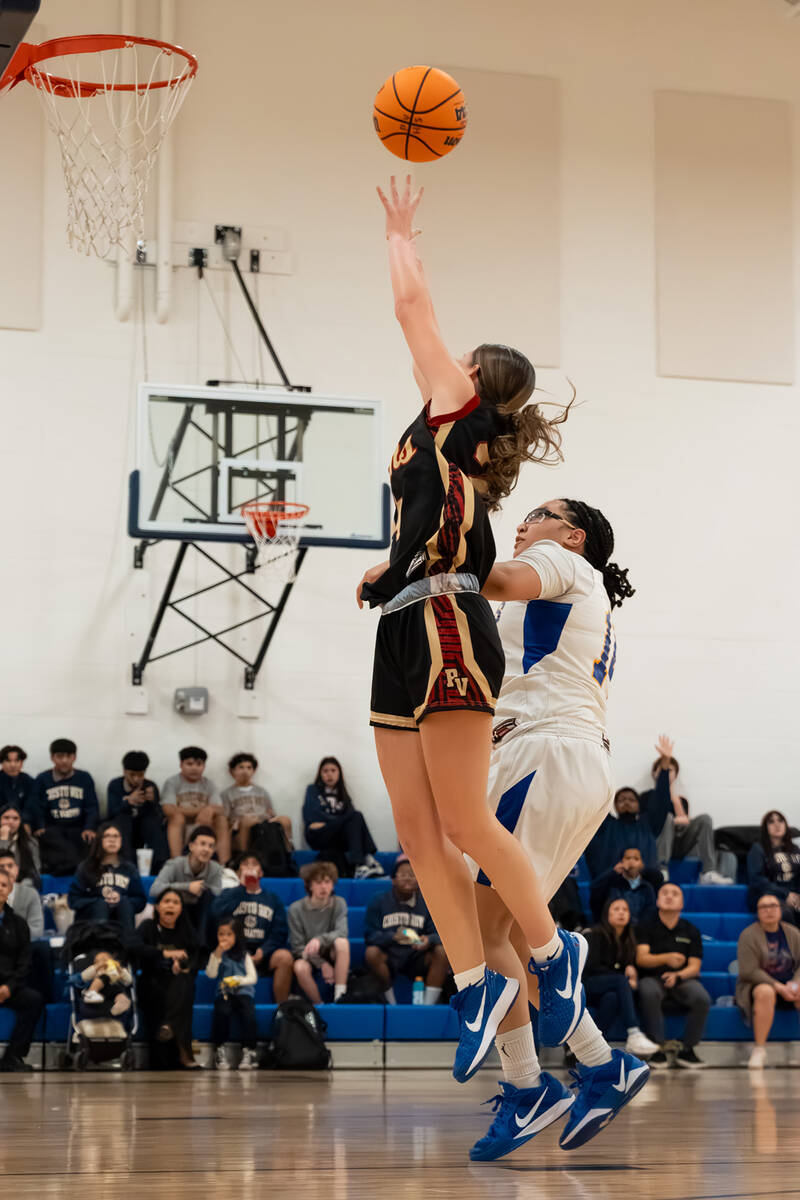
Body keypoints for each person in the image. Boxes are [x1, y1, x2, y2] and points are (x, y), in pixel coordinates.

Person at [356, 176, 582, 1106]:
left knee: (463, 820)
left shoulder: (455, 401)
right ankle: (477, 980)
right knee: (415, 832)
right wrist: (384, 566)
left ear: (477, 377)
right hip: (408, 618)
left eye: (467, 352)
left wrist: (400, 234)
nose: (451, 351)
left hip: (450, 622)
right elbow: (432, 521)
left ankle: (549, 954)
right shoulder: (446, 437)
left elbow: (412, 306)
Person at [468, 499, 648, 1160]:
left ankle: (528, 1085)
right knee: (505, 935)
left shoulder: (559, 562)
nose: (524, 518)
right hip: (565, 761)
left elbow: (493, 576)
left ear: (571, 534)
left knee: (483, 929)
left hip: (543, 756)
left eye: (539, 512)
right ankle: (601, 1067)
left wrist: (455, 516)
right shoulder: (570, 584)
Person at [636, 882, 711, 1069]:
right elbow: (642, 959)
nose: (669, 896)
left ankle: (687, 1049)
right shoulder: (645, 926)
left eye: (675, 894)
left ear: (682, 903)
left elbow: (695, 966)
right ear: (658, 900)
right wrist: (666, 958)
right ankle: (657, 1048)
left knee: (701, 997)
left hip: (682, 979)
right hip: (652, 977)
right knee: (647, 990)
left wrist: (678, 975)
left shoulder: (691, 930)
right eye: (665, 893)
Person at [639, 734, 732, 885]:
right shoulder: (646, 796)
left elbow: (685, 823)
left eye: (671, 770)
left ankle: (708, 871)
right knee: (667, 817)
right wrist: (673, 819)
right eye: (664, 770)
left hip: (679, 843)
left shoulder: (680, 799)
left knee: (705, 819)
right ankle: (661, 868)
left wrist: (674, 799)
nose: (667, 773)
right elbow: (652, 822)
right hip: (657, 843)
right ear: (655, 773)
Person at [129, 888, 200, 1069]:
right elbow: (133, 946)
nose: (171, 905)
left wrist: (182, 966)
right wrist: (165, 953)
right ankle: (185, 1053)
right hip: (152, 983)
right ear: (158, 907)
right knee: (178, 992)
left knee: (183, 983)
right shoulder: (148, 927)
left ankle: (168, 1025)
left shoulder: (186, 932)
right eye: (166, 901)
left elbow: (195, 958)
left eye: (176, 902)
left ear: (181, 909)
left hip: (178, 983)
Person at [364, 855, 449, 1004]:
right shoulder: (378, 900)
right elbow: (369, 935)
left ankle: (427, 1007)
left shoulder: (427, 902)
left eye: (412, 875)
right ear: (393, 879)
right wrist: (392, 937)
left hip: (417, 955)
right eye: (403, 874)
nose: (408, 878)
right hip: (389, 954)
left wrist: (429, 940)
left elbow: (441, 934)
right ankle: (391, 1003)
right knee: (371, 953)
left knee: (442, 951)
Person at [212, 853, 293, 1000]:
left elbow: (280, 931)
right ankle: (230, 1004)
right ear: (238, 872)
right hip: (234, 952)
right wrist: (241, 888)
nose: (250, 868)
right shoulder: (230, 894)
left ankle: (282, 1008)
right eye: (245, 864)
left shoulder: (272, 899)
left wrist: (264, 950)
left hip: (263, 953)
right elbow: (215, 913)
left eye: (254, 864)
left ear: (261, 872)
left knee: (285, 957)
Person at [583, 898, 659, 1057]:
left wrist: (628, 970)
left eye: (625, 910)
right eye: (616, 909)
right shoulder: (594, 934)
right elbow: (591, 967)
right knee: (620, 981)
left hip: (608, 988)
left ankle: (588, 1048)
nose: (621, 913)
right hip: (587, 984)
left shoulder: (629, 939)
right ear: (607, 914)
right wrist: (623, 971)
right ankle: (633, 1032)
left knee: (612, 999)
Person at [736, 893, 800, 1069]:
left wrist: (795, 984)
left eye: (773, 906)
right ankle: (759, 1049)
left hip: (790, 984)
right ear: (758, 912)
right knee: (766, 992)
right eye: (764, 907)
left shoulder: (793, 933)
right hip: (756, 986)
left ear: (781, 910)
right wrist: (779, 987)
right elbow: (748, 971)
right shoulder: (748, 935)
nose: (769, 910)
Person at [302, 757, 383, 879]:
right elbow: (311, 817)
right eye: (325, 771)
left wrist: (331, 822)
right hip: (318, 836)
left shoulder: (343, 795)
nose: (329, 774)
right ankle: (363, 861)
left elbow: (353, 823)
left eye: (333, 770)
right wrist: (341, 821)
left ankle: (364, 860)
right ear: (320, 774)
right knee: (354, 816)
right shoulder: (313, 790)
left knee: (356, 817)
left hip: (336, 838)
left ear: (339, 773)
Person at [28, 738, 98, 871]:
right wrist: (39, 825)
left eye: (69, 756)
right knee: (50, 840)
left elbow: (92, 806)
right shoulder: (43, 779)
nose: (64, 760)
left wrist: (89, 827)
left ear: (74, 757)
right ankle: (75, 866)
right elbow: (36, 805)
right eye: (60, 756)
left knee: (89, 840)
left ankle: (72, 867)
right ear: (52, 758)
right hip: (53, 828)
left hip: (78, 828)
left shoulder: (84, 778)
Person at [0, 867, 44, 1072]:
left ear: (10, 891)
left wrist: (9, 986)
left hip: (9, 985)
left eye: (3, 885)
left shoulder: (19, 924)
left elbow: (24, 962)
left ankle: (13, 1056)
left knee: (34, 1000)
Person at [68, 822, 147, 935]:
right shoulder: (86, 867)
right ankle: (99, 947)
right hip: (92, 921)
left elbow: (140, 901)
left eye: (116, 836)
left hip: (122, 916)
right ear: (99, 840)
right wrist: (99, 901)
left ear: (121, 840)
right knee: (101, 905)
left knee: (124, 903)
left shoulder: (129, 868)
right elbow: (73, 900)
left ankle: (128, 946)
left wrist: (121, 899)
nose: (112, 840)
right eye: (107, 836)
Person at [287, 862, 349, 1004]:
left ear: (333, 884)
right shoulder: (295, 909)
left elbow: (342, 932)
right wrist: (322, 964)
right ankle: (319, 1005)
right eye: (318, 882)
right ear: (309, 885)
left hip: (331, 950)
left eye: (327, 882)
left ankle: (340, 996)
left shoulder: (339, 903)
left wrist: (319, 940)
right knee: (299, 967)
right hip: (308, 955)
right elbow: (297, 947)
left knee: (342, 943)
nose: (323, 887)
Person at [149, 825, 223, 944]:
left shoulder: (215, 868)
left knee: (210, 897)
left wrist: (203, 887)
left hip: (200, 912)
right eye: (202, 844)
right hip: (178, 911)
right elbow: (154, 889)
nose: (206, 849)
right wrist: (187, 887)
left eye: (211, 846)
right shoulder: (174, 864)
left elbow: (218, 892)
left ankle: (202, 947)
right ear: (191, 846)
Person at [206, 918, 259, 1071]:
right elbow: (211, 974)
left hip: (243, 993)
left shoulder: (244, 955)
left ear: (237, 936)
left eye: (229, 934)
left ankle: (249, 1051)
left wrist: (238, 980)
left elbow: (252, 977)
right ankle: (219, 1049)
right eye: (221, 934)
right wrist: (217, 954)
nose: (224, 938)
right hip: (225, 993)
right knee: (222, 1012)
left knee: (248, 1015)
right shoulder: (217, 955)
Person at [160, 747, 229, 863]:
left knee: (221, 819)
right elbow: (168, 809)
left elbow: (220, 809)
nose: (194, 768)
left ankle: (224, 866)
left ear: (204, 766)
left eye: (199, 764)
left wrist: (209, 811)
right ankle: (176, 863)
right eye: (189, 764)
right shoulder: (172, 782)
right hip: (179, 823)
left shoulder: (209, 784)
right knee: (177, 817)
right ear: (181, 765)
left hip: (204, 823)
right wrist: (205, 809)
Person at [584, 787, 662, 886]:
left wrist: (664, 773)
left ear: (639, 805)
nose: (626, 802)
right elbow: (595, 804)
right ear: (615, 806)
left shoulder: (647, 825)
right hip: (612, 886)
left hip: (645, 886)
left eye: (631, 800)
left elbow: (661, 803)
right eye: (621, 800)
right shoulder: (607, 826)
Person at [106, 751, 167, 871]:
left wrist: (153, 802)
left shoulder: (150, 786)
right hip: (123, 827)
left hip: (143, 827)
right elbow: (111, 812)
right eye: (132, 775)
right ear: (124, 771)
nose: (136, 779)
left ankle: (160, 865)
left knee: (151, 824)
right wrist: (128, 802)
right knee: (122, 819)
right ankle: (127, 865)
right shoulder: (115, 785)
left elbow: (158, 816)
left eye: (140, 775)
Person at [222, 753, 293, 854]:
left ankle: (287, 855)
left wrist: (271, 817)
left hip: (263, 823)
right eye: (241, 767)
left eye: (249, 767)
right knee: (247, 821)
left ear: (254, 771)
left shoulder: (262, 792)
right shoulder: (227, 793)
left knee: (285, 820)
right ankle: (244, 857)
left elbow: (271, 812)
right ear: (232, 771)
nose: (245, 771)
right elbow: (226, 819)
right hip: (241, 825)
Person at [747, 811, 800, 928]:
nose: (777, 825)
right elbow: (757, 879)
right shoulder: (758, 849)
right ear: (765, 828)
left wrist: (797, 897)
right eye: (771, 822)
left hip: (794, 895)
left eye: (780, 820)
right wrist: (786, 895)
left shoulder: (795, 849)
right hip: (770, 895)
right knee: (784, 913)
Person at [590, 847, 657, 924]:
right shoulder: (612, 883)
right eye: (628, 858)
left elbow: (650, 912)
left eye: (636, 859)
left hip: (639, 930)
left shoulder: (647, 887)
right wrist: (612, 872)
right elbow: (594, 889)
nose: (631, 861)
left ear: (642, 864)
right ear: (621, 862)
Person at [0, 851, 44, 938]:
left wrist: (11, 940)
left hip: (23, 948)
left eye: (10, 866)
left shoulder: (30, 894)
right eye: (1, 867)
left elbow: (36, 930)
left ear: (17, 869)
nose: (7, 870)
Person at [0, 805, 41, 887]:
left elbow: (36, 871)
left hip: (22, 884)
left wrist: (19, 886)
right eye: (6, 818)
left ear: (20, 821)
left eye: (15, 818)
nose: (11, 822)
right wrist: (3, 841)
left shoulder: (30, 842)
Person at [0, 745, 35, 816]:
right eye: (8, 761)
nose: (13, 765)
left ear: (22, 763)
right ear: (1, 763)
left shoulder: (29, 781)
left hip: (23, 821)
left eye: (17, 761)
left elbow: (32, 806)